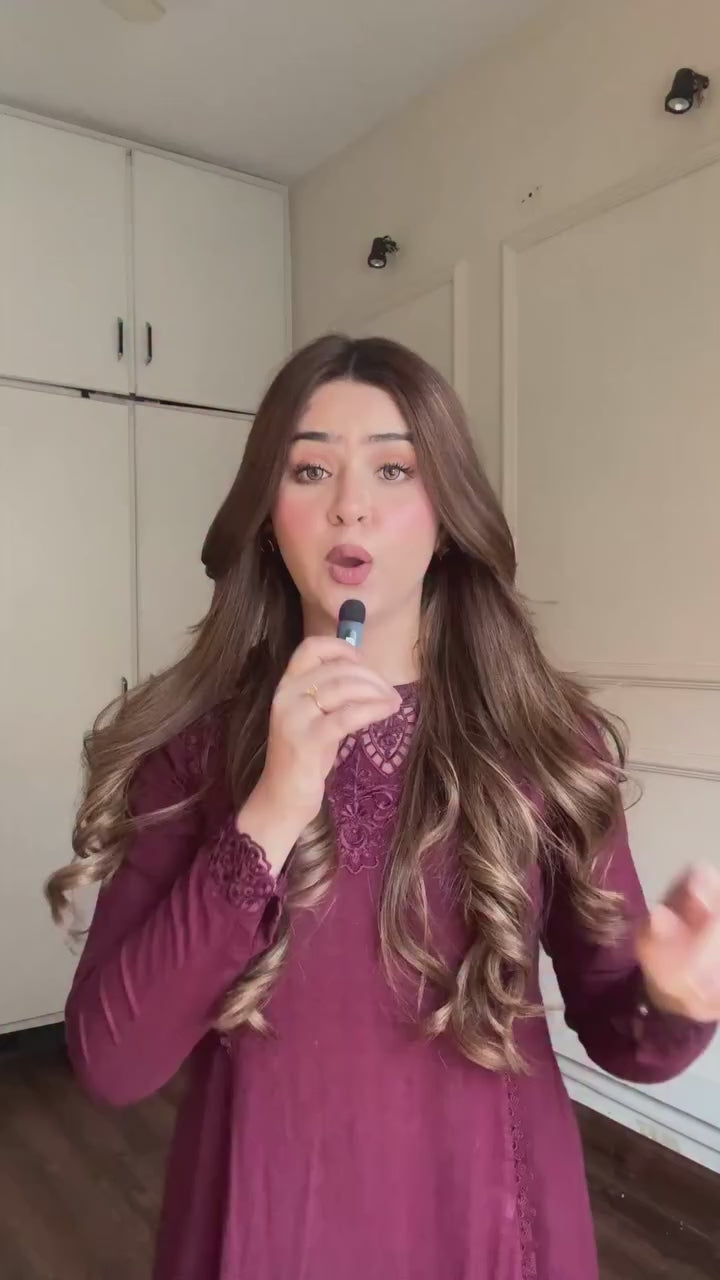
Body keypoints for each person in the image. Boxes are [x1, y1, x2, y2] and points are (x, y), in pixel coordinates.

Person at [47, 335, 719, 1280]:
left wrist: (677, 1001)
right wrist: (274, 805)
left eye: (393, 469)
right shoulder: (192, 749)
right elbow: (113, 1061)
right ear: (268, 517)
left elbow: (621, 1031)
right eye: (310, 469)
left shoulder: (544, 741)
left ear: (447, 519)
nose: (349, 504)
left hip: (493, 1229)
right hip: (263, 1228)